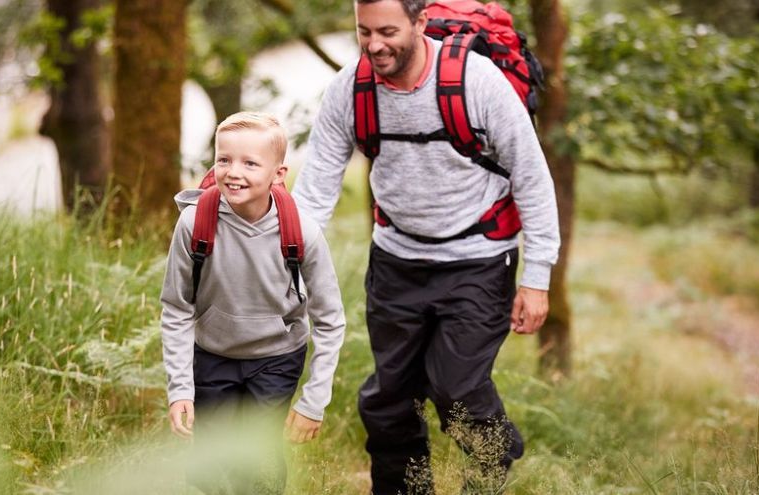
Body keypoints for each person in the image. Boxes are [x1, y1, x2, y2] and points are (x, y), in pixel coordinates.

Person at [291, 0, 560, 493]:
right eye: (363, 31)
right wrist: (283, 267)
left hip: (477, 260)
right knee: (390, 400)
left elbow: (533, 178)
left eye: (388, 30)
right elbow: (315, 192)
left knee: (457, 390)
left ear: (420, 23)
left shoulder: (476, 82)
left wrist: (536, 278)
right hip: (396, 259)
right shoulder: (350, 88)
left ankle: (490, 471)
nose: (375, 44)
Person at [160, 112, 346, 493]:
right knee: (209, 465)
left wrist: (314, 400)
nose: (233, 172)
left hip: (277, 358)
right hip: (213, 355)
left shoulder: (302, 232)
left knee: (257, 465)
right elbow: (177, 309)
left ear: (279, 173)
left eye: (250, 163)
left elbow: (330, 320)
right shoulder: (194, 224)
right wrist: (180, 388)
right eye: (224, 159)